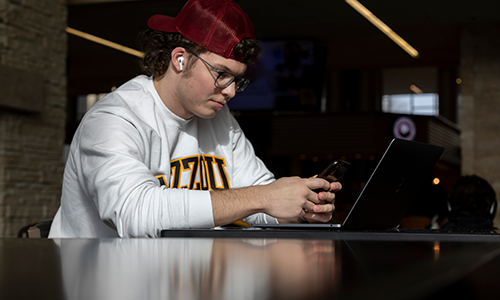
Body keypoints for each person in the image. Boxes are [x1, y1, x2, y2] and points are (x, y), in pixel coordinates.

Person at [48, 0, 340, 238]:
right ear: (180, 59)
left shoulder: (219, 117)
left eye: (237, 80)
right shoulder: (114, 118)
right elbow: (134, 214)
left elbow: (262, 196)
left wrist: (300, 205)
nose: (231, 92)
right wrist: (263, 198)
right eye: (221, 74)